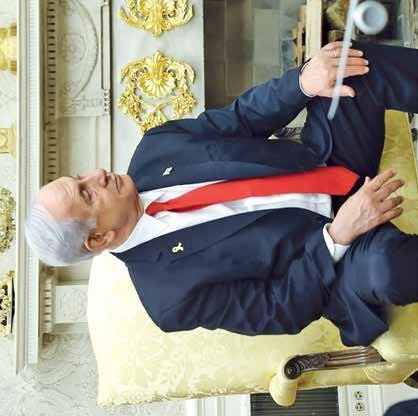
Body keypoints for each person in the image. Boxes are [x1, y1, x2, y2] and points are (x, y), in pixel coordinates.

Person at [26, 40, 418, 347]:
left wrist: (302, 82)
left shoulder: (156, 148)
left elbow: (242, 118)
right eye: (86, 193)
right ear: (98, 239)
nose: (97, 175)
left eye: (80, 176)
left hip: (323, 161)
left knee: (349, 66)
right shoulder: (168, 296)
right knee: (387, 267)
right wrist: (337, 237)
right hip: (336, 262)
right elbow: (278, 308)